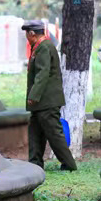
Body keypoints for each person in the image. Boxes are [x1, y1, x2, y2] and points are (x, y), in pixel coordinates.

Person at [21, 20, 78, 171]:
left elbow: (43, 73)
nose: (26, 37)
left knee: (54, 134)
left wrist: (33, 95)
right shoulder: (39, 46)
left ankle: (69, 165)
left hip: (47, 101)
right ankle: (35, 163)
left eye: (26, 33)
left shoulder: (44, 47)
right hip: (41, 102)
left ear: (32, 33)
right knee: (35, 132)